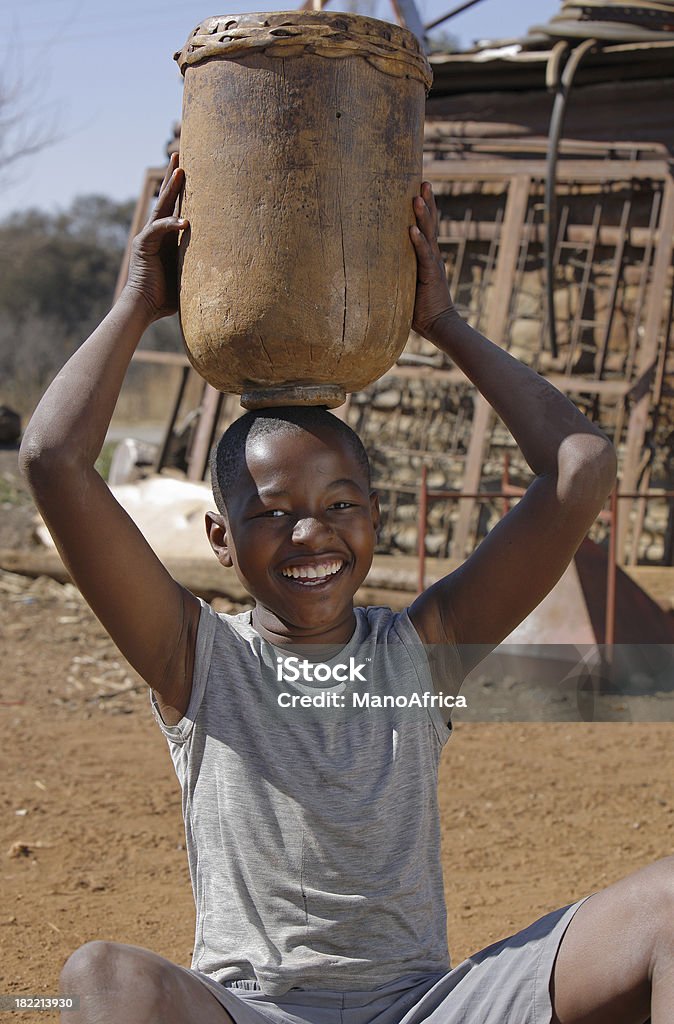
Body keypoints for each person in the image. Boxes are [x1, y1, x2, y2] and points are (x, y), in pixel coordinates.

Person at [19, 152, 671, 1024]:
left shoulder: (424, 651)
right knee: (101, 975)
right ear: (219, 538)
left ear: (376, 517)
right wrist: (137, 302)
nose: (311, 532)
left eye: (339, 505)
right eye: (272, 512)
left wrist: (442, 322)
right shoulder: (196, 658)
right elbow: (53, 460)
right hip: (254, 1011)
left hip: (423, 1008)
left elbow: (582, 466)